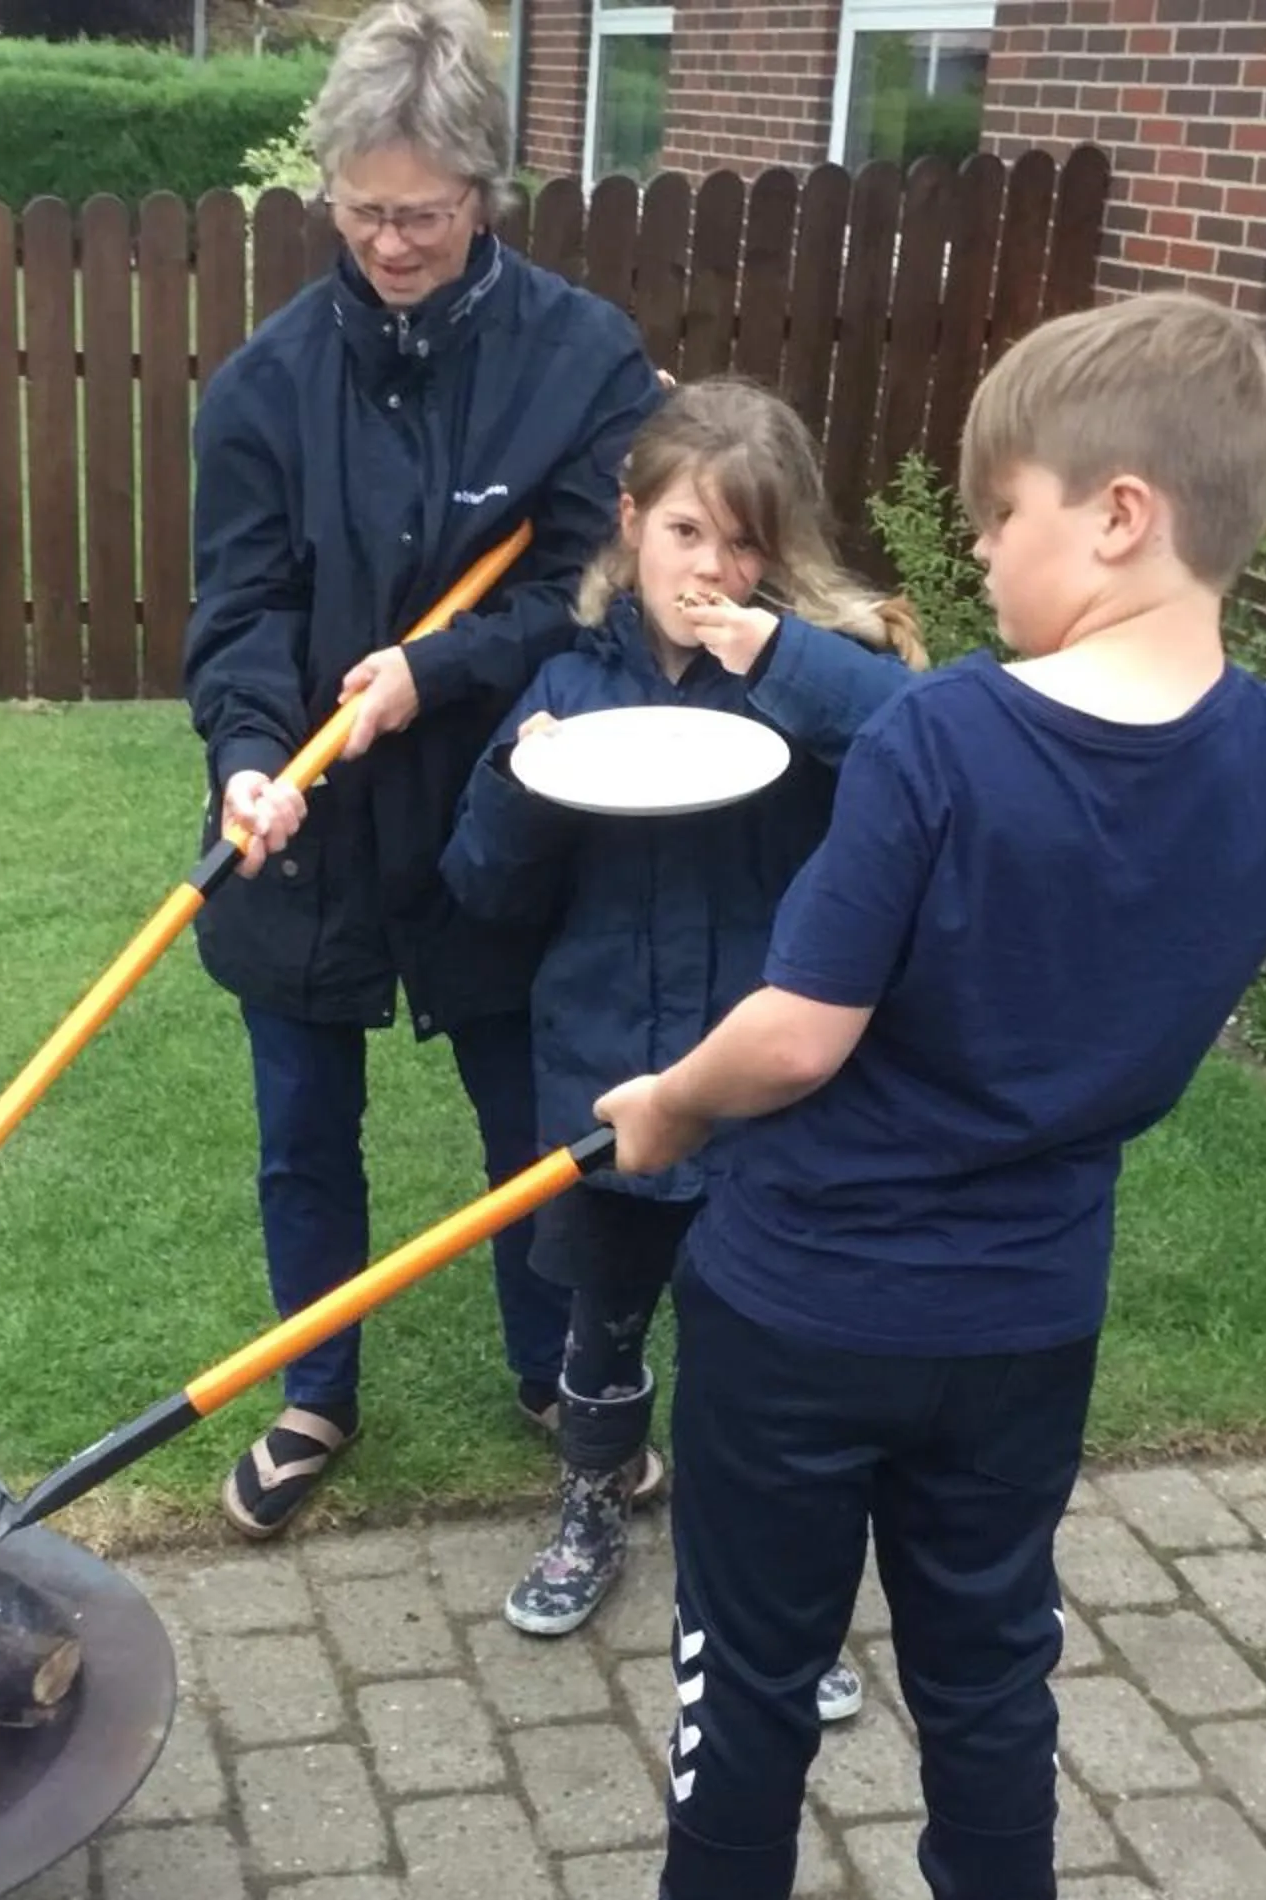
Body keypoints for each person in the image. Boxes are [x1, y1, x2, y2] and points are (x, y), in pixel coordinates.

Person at [538, 290, 1266, 1900]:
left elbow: (804, 1031)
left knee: (751, 1663)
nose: (981, 549)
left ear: (1125, 514)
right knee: (989, 1668)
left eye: (1005, 513)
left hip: (807, 1299)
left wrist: (663, 1103)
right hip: (1022, 1329)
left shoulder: (948, 740)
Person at [183, 0, 666, 1539]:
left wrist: (432, 672)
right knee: (298, 1127)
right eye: (367, 210)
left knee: (531, 1120)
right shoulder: (263, 388)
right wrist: (255, 758)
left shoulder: (584, 362)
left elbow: (592, 592)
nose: (392, 242)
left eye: (428, 215)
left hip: (499, 807)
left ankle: (554, 1371)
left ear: (485, 194)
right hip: (309, 831)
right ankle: (314, 1385)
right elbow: (242, 608)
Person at [441, 378, 924, 1740]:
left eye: (749, 544)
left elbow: (918, 743)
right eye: (692, 538)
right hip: (600, 1070)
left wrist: (775, 653)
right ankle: (590, 1509)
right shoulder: (569, 683)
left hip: (770, 1087)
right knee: (601, 1330)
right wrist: (513, 779)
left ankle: (771, 1597)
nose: (716, 573)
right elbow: (479, 887)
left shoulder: (828, 670)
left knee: (762, 1360)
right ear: (632, 525)